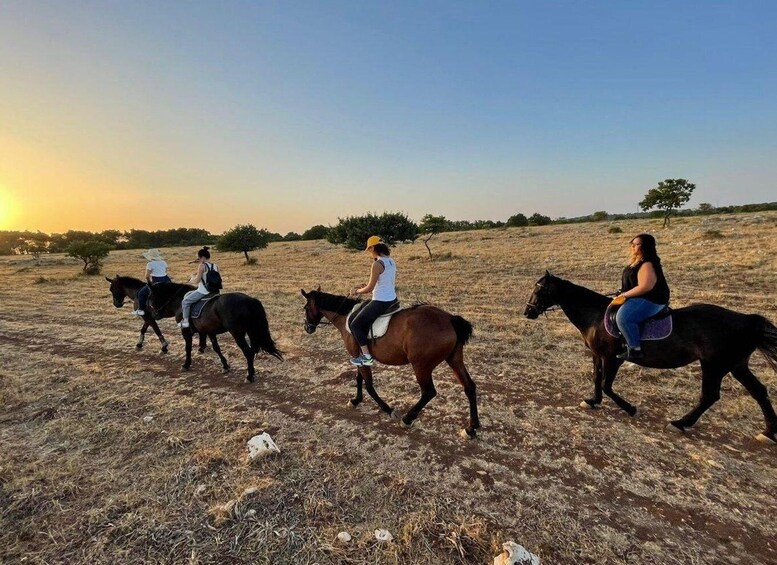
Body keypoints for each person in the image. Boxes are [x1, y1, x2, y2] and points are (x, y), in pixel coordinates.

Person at [612, 233, 670, 360]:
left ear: (646, 247)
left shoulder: (647, 264)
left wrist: (625, 295)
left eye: (637, 245)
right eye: (632, 244)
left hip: (652, 299)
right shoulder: (636, 261)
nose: (633, 247)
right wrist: (622, 291)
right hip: (638, 297)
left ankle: (635, 350)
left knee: (624, 318)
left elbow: (645, 287)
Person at [348, 235, 399, 366]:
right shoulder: (391, 261)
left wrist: (357, 291)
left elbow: (370, 289)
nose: (369, 253)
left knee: (355, 325)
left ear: (373, 247)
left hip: (381, 301)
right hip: (392, 299)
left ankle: (366, 357)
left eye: (369, 250)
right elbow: (384, 281)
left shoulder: (376, 264)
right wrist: (368, 285)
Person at [179, 246, 220, 329]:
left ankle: (185, 322)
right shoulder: (215, 266)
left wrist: (191, 279)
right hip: (215, 290)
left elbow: (197, 281)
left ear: (202, 257)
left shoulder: (202, 266)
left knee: (185, 302)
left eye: (198, 258)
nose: (198, 259)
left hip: (204, 291)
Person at [132, 249, 171, 316]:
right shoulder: (164, 262)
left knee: (141, 293)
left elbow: (147, 276)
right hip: (166, 280)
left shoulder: (150, 264)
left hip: (156, 281)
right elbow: (165, 272)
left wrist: (149, 282)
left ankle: (140, 310)